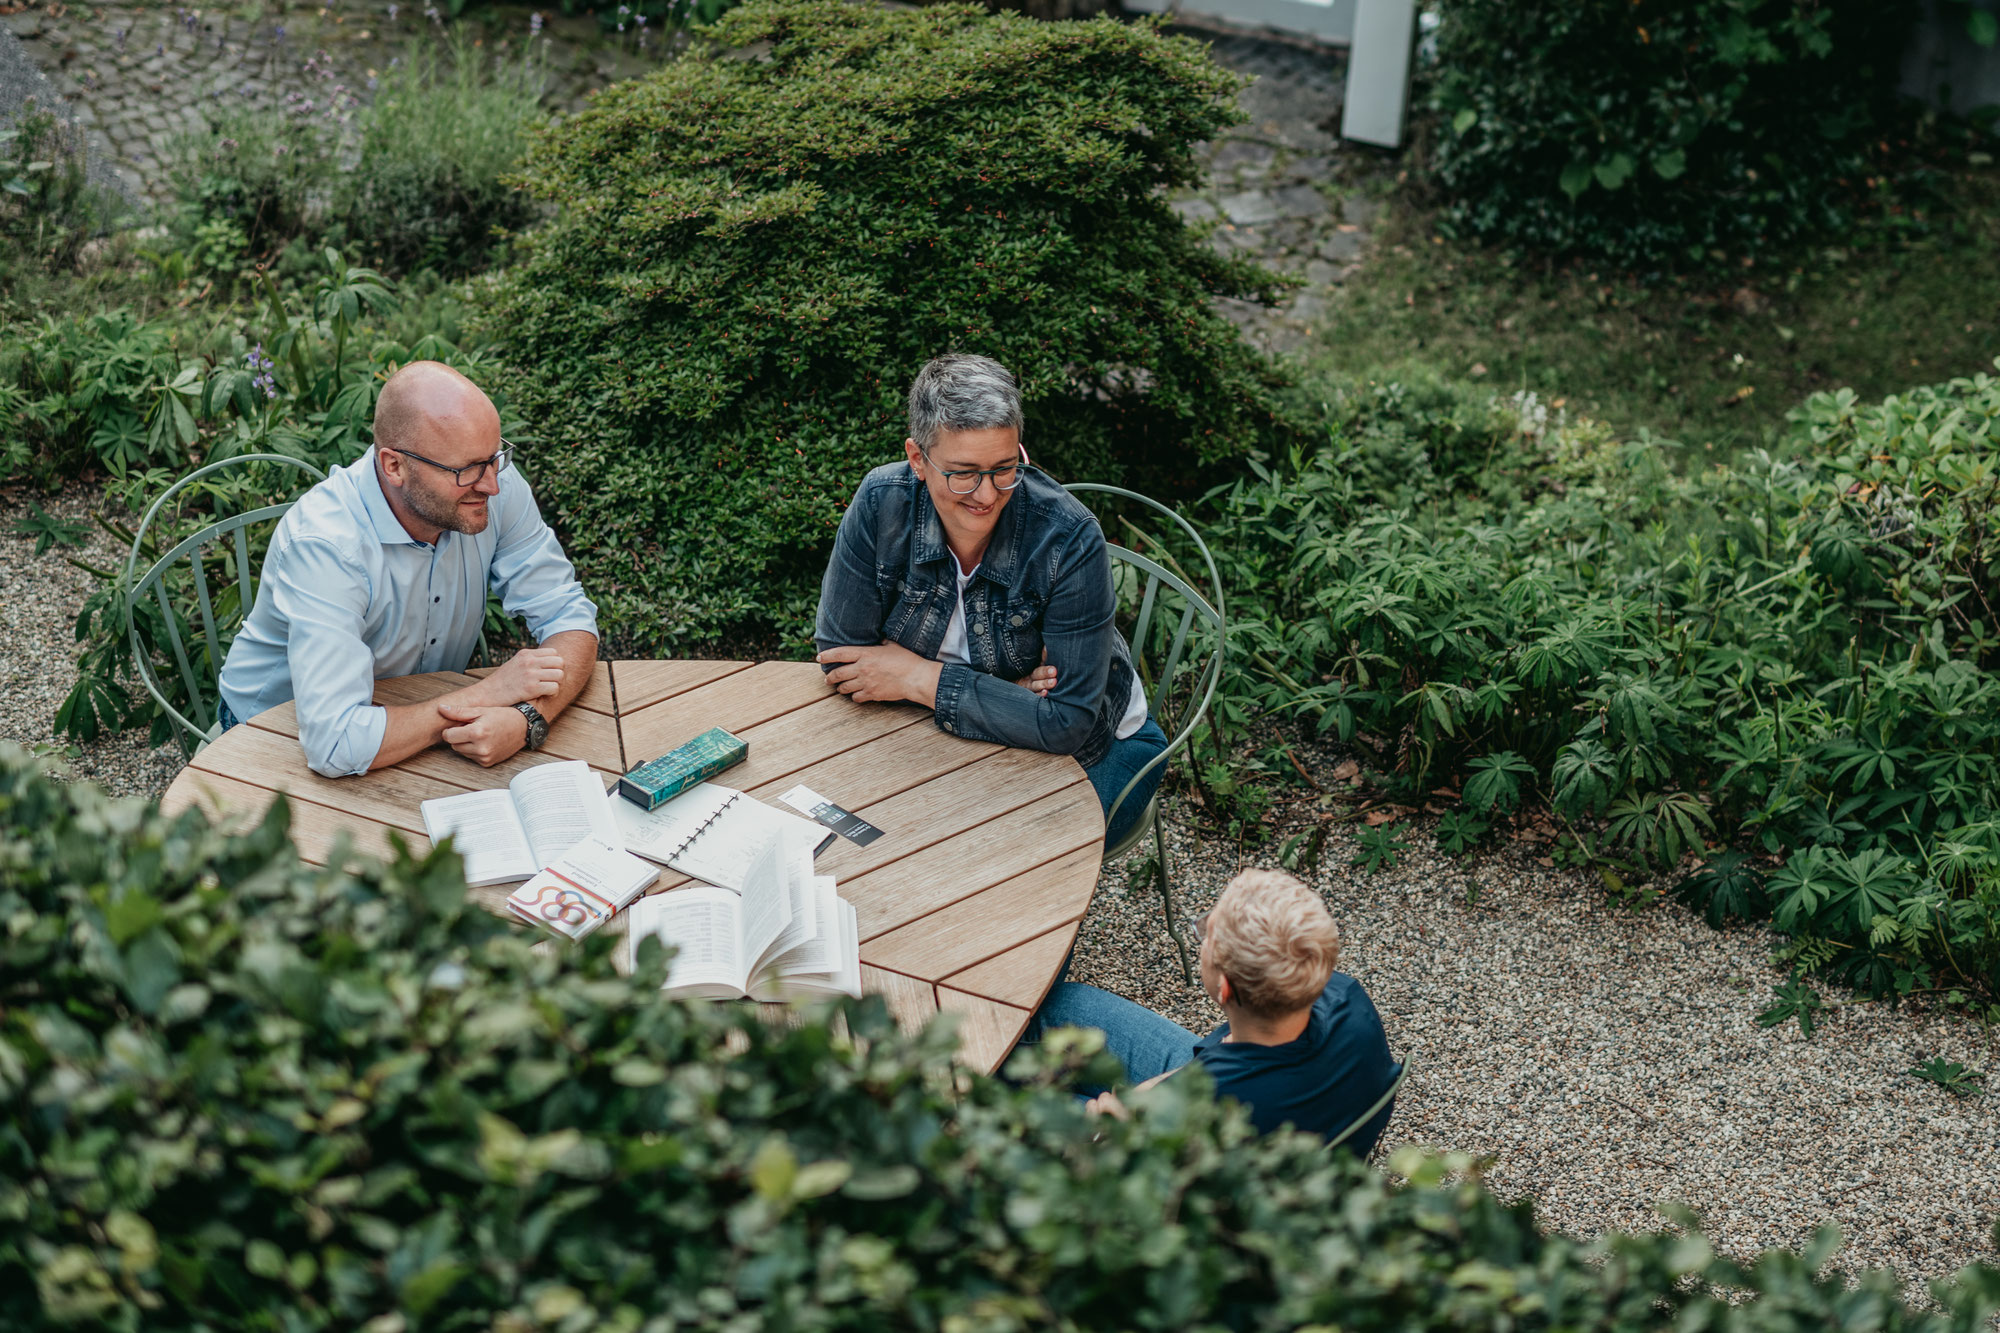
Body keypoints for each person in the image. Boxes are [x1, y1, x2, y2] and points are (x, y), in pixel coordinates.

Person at [813, 353, 1168, 845]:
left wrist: (916, 676)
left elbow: (1065, 724)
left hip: (1098, 751)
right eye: (964, 473)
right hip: (935, 731)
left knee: (1007, 865)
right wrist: (1007, 695)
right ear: (918, 459)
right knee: (853, 838)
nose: (986, 495)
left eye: (1005, 469)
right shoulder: (882, 502)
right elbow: (841, 657)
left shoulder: (1069, 537)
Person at [217, 361, 600, 777]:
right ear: (394, 466)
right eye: (467, 469)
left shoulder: (492, 486)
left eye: (494, 458)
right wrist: (488, 694)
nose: (491, 483)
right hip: (277, 734)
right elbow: (335, 745)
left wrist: (527, 718)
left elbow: (568, 615)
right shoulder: (326, 545)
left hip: (417, 722)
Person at [1020, 868, 1400, 1148]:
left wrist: (1113, 1127)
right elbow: (1224, 1063)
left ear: (1225, 987)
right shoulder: (1347, 998)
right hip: (1298, 1118)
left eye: (1206, 934)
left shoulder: (1204, 1104)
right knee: (1066, 1005)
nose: (1200, 934)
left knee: (1019, 1109)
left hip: (1215, 1183)